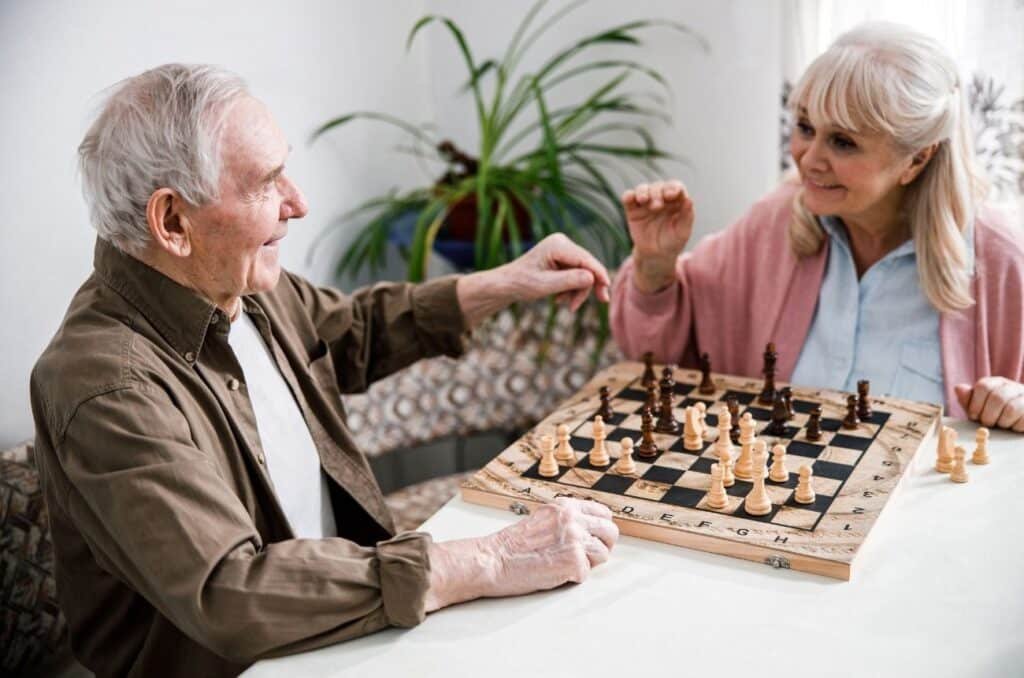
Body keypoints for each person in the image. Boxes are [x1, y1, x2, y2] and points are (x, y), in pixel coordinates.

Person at [30, 64, 619, 678]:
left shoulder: (236, 284)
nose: (299, 202)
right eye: (266, 182)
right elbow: (232, 592)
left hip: (348, 629)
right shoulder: (104, 384)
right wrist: (487, 561)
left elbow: (351, 331)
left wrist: (503, 284)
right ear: (173, 223)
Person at [611, 22, 1024, 431]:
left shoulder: (1001, 259)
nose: (808, 159)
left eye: (843, 142)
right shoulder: (772, 223)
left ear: (916, 159)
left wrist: (1015, 407)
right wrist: (655, 263)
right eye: (806, 128)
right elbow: (654, 358)